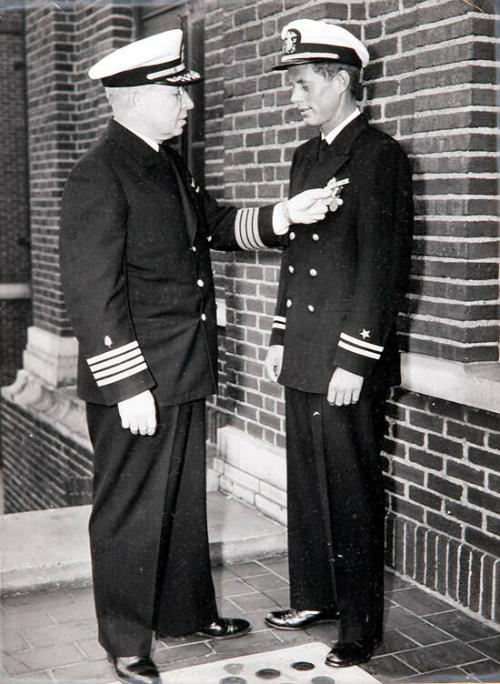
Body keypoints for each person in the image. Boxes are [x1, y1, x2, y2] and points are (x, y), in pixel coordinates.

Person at [59, 29, 330, 684]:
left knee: (181, 501)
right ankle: (127, 641)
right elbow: (92, 293)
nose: (187, 103)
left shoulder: (163, 162)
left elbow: (212, 225)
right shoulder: (100, 172)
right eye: (178, 91)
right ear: (140, 95)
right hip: (137, 378)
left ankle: (185, 615)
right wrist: (127, 384)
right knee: (129, 508)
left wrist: (283, 215)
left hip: (179, 367)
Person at [264, 19, 414, 668]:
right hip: (303, 347)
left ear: (340, 80)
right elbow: (296, 255)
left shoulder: (379, 157)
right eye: (292, 84)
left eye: (301, 84)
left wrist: (356, 356)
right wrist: (277, 331)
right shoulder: (306, 156)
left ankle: (358, 625)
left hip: (346, 358)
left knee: (351, 489)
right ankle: (315, 596)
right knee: (306, 479)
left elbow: (384, 268)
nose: (292, 97)